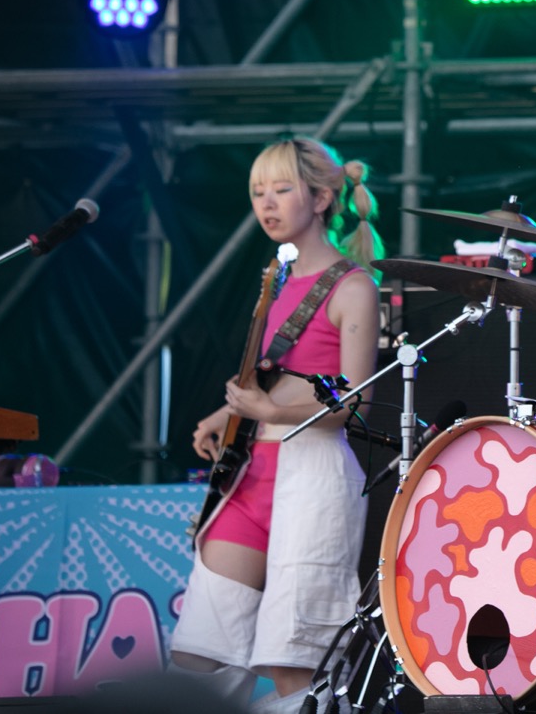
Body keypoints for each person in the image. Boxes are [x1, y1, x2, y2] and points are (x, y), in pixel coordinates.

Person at [171, 138, 384, 714]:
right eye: (257, 192)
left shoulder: (354, 286)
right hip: (252, 475)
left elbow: (354, 402)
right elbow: (276, 376)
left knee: (295, 662)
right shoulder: (277, 280)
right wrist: (230, 413)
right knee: (200, 652)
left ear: (321, 198)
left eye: (282, 189)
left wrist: (269, 413)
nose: (266, 203)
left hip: (313, 478)